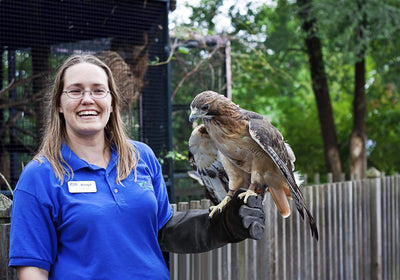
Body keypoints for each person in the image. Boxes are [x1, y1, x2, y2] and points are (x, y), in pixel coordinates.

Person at [8, 54, 265, 280]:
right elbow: (32, 269)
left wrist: (222, 224)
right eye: (75, 91)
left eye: (99, 90)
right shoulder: (40, 175)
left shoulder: (141, 157)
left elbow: (163, 230)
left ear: (112, 102)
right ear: (59, 105)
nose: (88, 99)